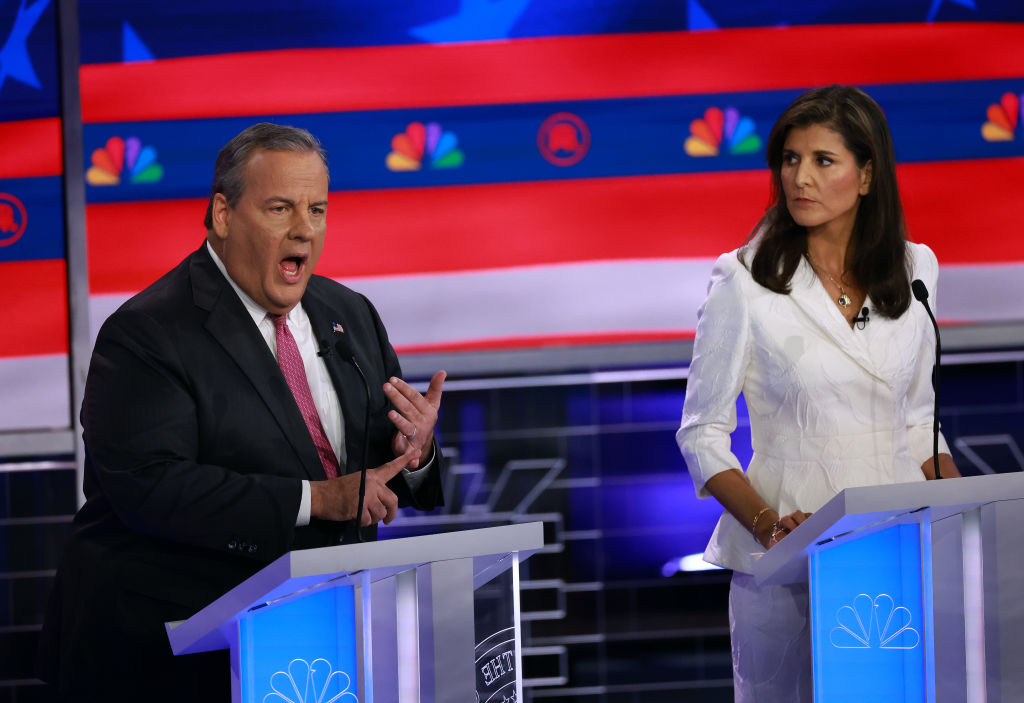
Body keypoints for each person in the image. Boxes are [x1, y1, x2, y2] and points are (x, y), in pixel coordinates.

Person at [38, 123, 447, 701]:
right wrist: (317, 498)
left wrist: (417, 453)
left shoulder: (349, 313)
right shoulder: (147, 333)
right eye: (280, 207)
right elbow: (152, 489)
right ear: (224, 214)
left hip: (316, 645)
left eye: (318, 209)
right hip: (167, 655)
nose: (304, 229)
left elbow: (371, 478)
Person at [675, 85, 961, 703]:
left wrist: (967, 518)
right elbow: (701, 433)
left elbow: (917, 420)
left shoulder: (918, 268)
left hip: (899, 555)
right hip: (789, 565)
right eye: (789, 159)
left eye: (822, 161)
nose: (799, 178)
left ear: (865, 176)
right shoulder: (744, 280)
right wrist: (770, 526)